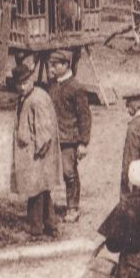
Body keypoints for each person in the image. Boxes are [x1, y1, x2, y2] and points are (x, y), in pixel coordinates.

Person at [9, 60, 60, 237]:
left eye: (25, 83)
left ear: (31, 79)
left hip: (37, 154)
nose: (22, 87)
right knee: (41, 191)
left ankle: (36, 229)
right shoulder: (26, 97)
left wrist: (39, 152)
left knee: (35, 191)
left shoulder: (37, 99)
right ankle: (51, 226)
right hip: (32, 152)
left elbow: (44, 131)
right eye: (19, 84)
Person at [47, 52, 91, 223]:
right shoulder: (52, 86)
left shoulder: (76, 87)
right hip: (53, 138)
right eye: (51, 64)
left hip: (70, 139)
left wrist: (83, 142)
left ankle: (73, 208)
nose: (52, 68)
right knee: (49, 173)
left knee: (69, 173)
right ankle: (48, 208)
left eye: (55, 64)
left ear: (66, 65)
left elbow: (85, 116)